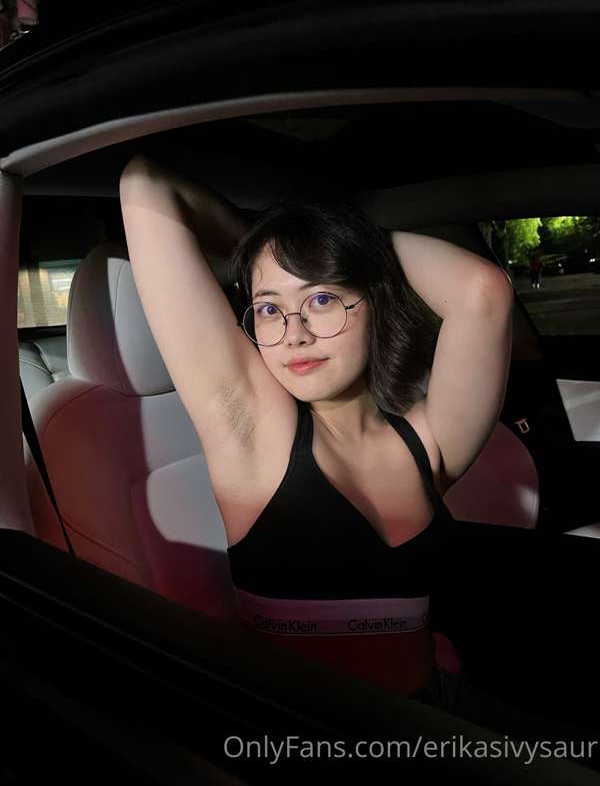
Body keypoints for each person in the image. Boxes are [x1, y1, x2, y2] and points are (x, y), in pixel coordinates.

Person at [119, 155, 600, 770]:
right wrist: (269, 243)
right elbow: (143, 183)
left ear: (373, 302)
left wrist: (335, 245)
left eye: (321, 297)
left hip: (439, 711)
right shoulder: (255, 438)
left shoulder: (426, 442)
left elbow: (482, 292)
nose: (294, 333)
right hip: (314, 742)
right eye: (268, 307)